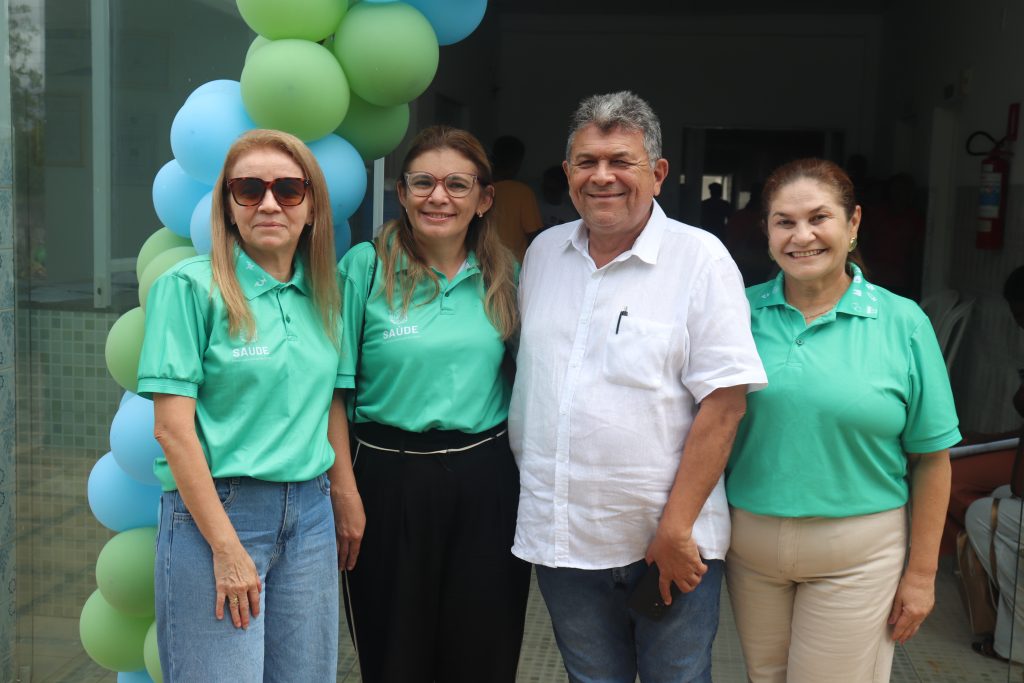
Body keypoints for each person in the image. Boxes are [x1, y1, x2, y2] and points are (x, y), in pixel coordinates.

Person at [510, 91, 767, 683]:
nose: (602, 176)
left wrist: (677, 529)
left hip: (666, 544)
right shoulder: (545, 253)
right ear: (568, 171)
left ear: (657, 173)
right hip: (563, 537)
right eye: (586, 161)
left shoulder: (700, 259)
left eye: (620, 161)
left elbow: (725, 404)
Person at [725, 158, 960, 683]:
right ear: (766, 231)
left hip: (856, 554)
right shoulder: (734, 314)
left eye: (819, 218)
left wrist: (921, 576)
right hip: (751, 550)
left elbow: (932, 459)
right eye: (784, 221)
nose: (801, 235)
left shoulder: (902, 322)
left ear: (853, 225)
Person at [137, 129, 360, 681]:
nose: (268, 203)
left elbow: (328, 401)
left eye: (287, 189)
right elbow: (172, 431)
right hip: (217, 512)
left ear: (311, 208)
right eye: (248, 189)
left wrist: (345, 493)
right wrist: (226, 547)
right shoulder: (189, 289)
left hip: (310, 515)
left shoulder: (328, 293)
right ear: (227, 207)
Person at [339, 125, 530, 683]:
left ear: (484, 198)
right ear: (401, 193)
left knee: (483, 644)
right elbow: (334, 391)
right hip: (385, 477)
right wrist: (344, 493)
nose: (438, 197)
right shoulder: (365, 267)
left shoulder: (506, 275)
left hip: (487, 479)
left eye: (456, 184)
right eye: (423, 182)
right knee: (394, 647)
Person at [490, 135, 543, 262]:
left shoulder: (480, 189)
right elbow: (535, 236)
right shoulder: (522, 192)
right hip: (513, 268)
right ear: (518, 162)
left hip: (482, 264)